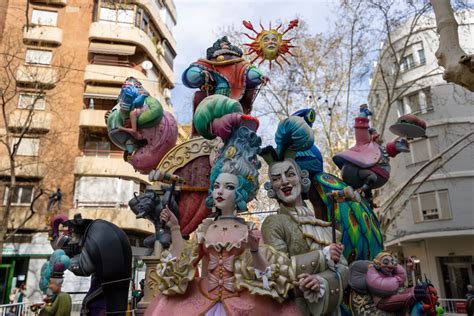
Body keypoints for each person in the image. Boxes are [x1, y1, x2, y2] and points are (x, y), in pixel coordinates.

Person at [146, 126, 300, 315]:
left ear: (240, 193)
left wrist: (254, 249)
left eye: (228, 187)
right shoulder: (205, 228)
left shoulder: (249, 230)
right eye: (217, 186)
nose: (220, 191)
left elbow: (266, 274)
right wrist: (176, 228)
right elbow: (183, 262)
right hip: (202, 298)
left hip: (239, 302)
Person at [261, 156, 349, 315]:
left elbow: (343, 269)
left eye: (290, 174)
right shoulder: (274, 223)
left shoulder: (323, 225)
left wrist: (321, 281)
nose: (284, 181)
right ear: (272, 188)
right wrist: (322, 256)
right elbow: (277, 271)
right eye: (276, 178)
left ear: (301, 179)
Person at [182, 36, 268, 116]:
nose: (226, 45)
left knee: (234, 114)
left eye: (227, 44)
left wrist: (259, 76)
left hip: (236, 96)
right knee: (220, 114)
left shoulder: (241, 64)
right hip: (218, 94)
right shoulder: (210, 63)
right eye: (223, 44)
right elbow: (191, 75)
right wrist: (201, 73)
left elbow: (250, 73)